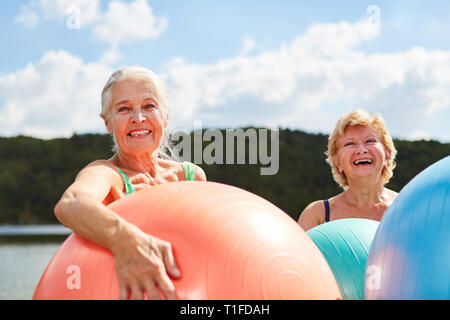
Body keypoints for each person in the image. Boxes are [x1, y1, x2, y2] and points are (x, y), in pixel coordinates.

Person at [54, 66, 206, 300]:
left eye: (149, 106)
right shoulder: (107, 173)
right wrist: (127, 241)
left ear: (165, 117)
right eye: (124, 109)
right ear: (108, 122)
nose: (138, 118)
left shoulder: (191, 177)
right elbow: (71, 203)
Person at [298, 109, 397, 231]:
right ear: (338, 162)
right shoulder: (317, 215)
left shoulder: (408, 208)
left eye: (370, 141)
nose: (361, 150)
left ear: (387, 155)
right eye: (350, 144)